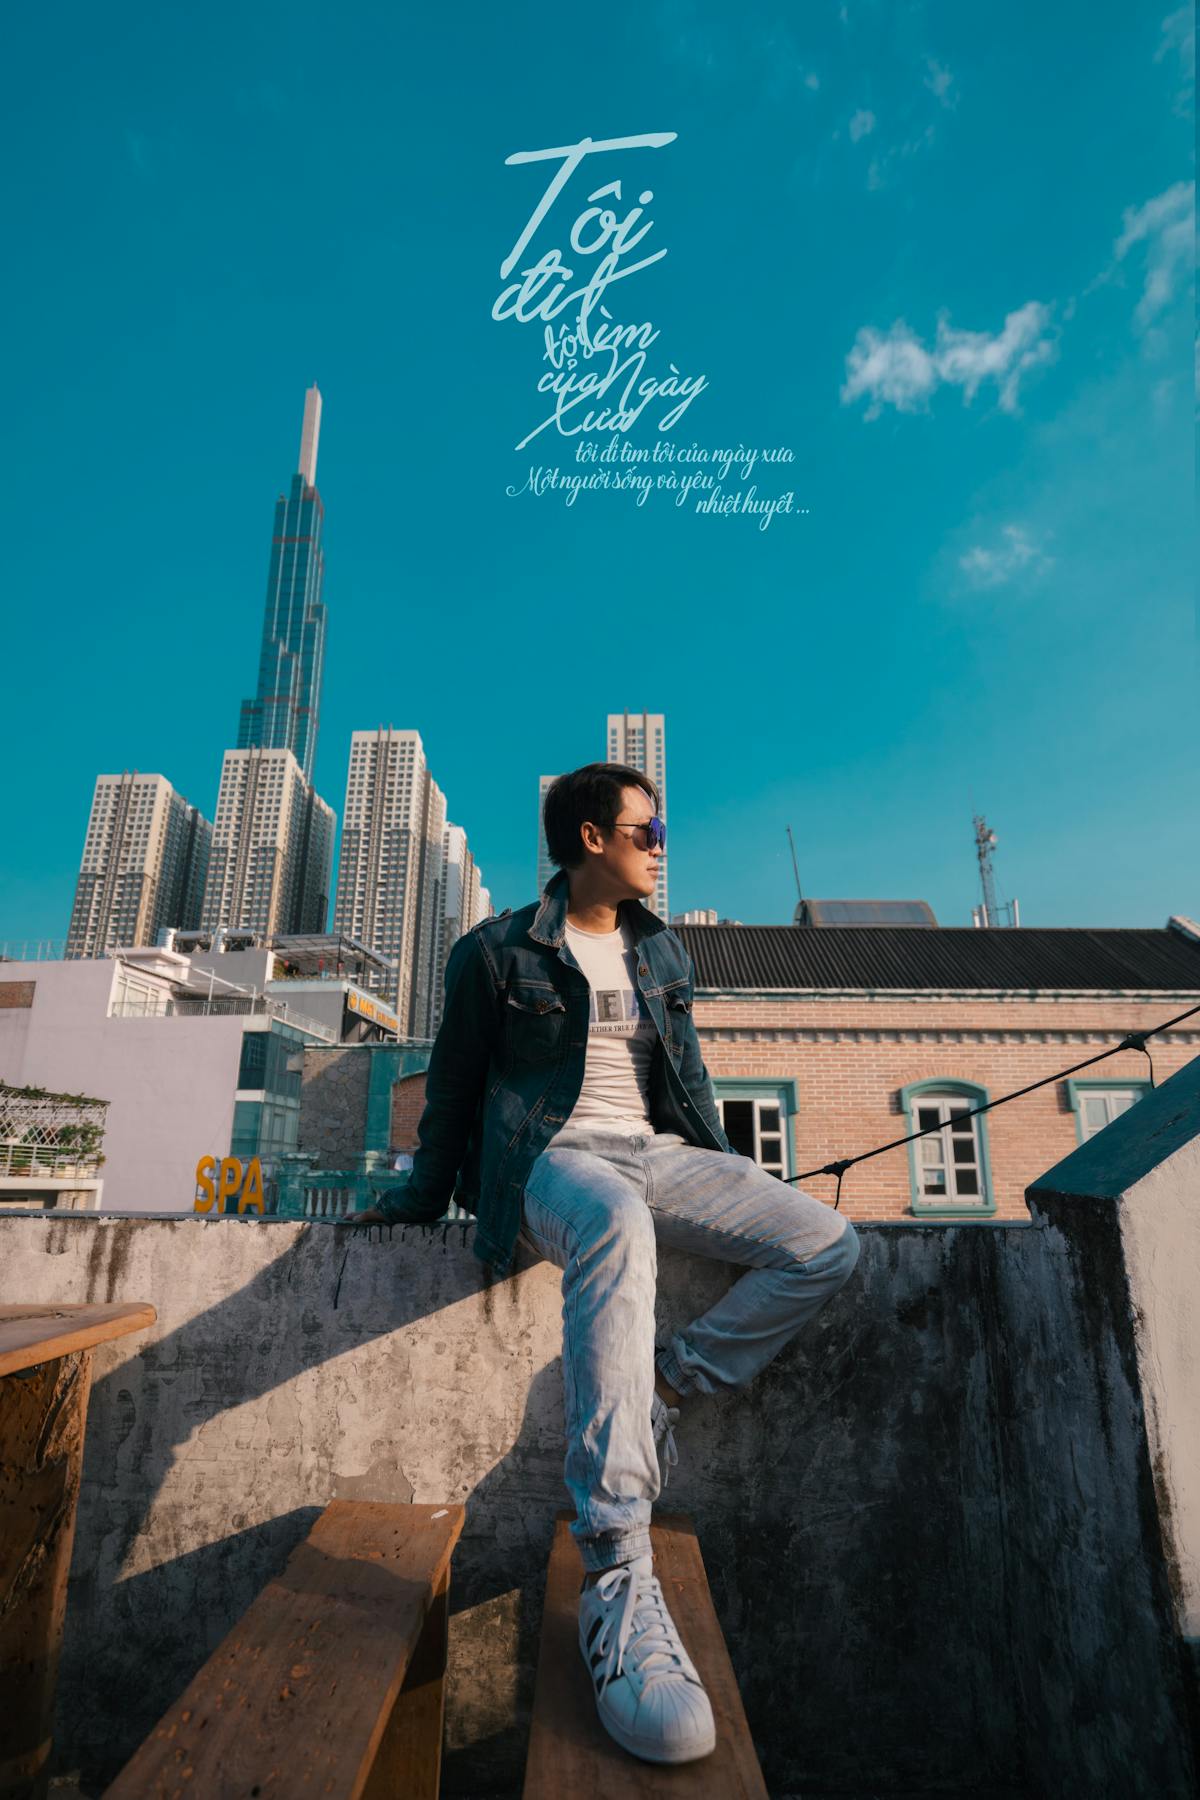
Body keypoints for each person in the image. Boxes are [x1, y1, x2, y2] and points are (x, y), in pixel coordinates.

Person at [353, 763, 860, 1765]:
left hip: (656, 1156)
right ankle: (616, 1565)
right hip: (549, 1165)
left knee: (826, 1243)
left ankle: (665, 1384)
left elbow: (692, 1083)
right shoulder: (496, 951)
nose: (661, 840)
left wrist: (732, 1182)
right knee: (618, 1217)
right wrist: (416, 1199)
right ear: (592, 838)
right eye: (648, 826)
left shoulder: (662, 952)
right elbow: (452, 1091)